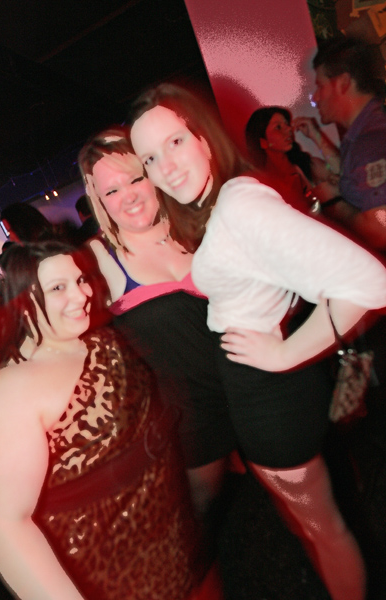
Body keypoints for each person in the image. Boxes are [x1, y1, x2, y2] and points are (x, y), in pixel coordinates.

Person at [129, 82, 386, 600]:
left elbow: (372, 283)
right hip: (265, 391)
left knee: (321, 530)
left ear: (203, 138)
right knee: (310, 527)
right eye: (150, 159)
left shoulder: (240, 204)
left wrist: (284, 352)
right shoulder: (225, 204)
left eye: (175, 142)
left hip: (271, 396)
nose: (166, 167)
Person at [0, 240, 220, 600]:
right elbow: (6, 523)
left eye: (80, 280)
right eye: (58, 287)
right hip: (109, 570)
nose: (81, 295)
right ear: (24, 299)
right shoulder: (13, 389)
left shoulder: (91, 335)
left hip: (175, 542)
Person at [78, 129, 241, 515]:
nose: (129, 196)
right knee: (199, 514)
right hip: (190, 422)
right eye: (112, 191)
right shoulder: (96, 259)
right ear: (99, 200)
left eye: (136, 179)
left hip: (254, 387)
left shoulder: (199, 224)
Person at [309, 36, 386, 250]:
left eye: (320, 86)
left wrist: (333, 202)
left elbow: (380, 231)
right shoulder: (364, 134)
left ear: (343, 83)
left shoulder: (370, 141)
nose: (315, 97)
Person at [245, 106, 340, 214]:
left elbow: (344, 175)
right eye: (278, 127)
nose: (289, 129)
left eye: (287, 124)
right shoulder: (260, 185)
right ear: (263, 142)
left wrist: (316, 135)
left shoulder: (306, 165)